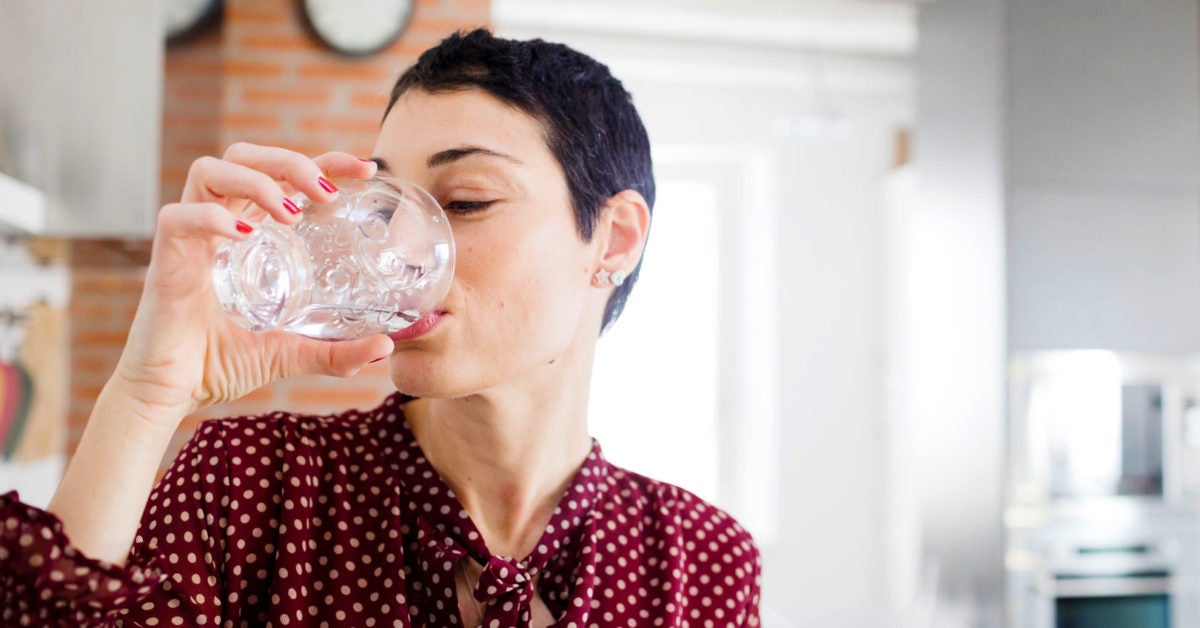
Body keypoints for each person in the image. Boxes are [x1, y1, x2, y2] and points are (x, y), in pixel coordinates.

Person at [0, 29, 761, 627]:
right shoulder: (251, 489)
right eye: (388, 205)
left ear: (615, 240)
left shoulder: (702, 563)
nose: (399, 251)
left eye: (465, 201)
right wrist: (147, 392)